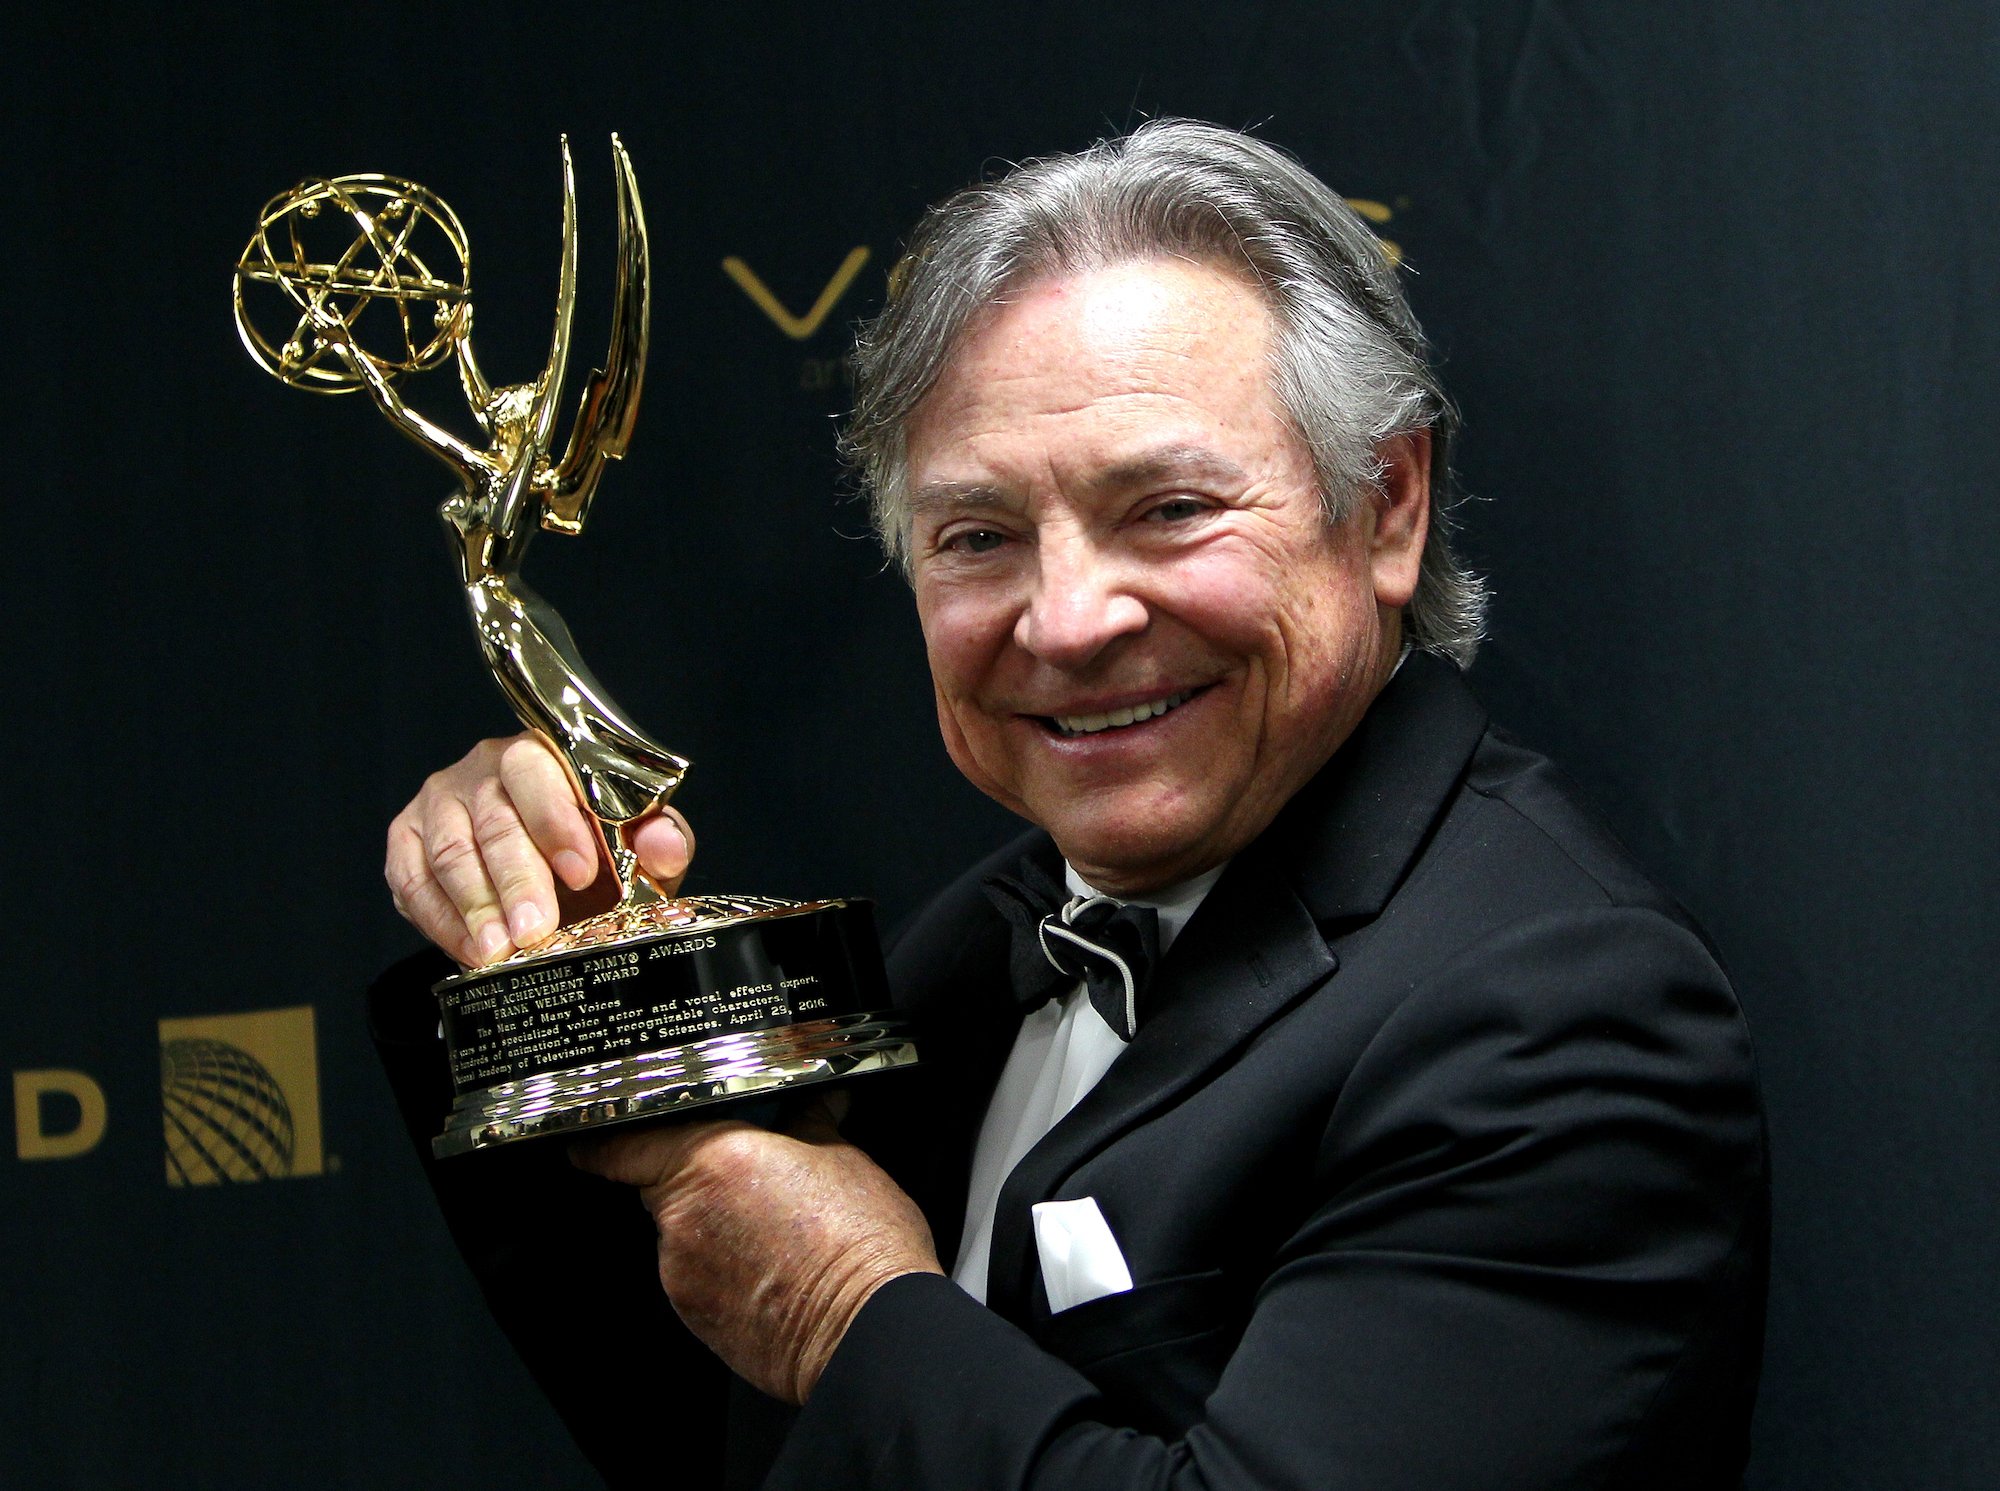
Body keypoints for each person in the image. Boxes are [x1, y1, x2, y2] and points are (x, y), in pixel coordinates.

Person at [370, 120, 1766, 1490]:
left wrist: (848, 1313)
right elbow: (732, 1446)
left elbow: (857, 1363)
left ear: (1387, 506)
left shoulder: (1560, 1011)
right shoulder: (974, 949)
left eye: (1164, 508)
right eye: (977, 537)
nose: (1069, 618)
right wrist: (571, 989)